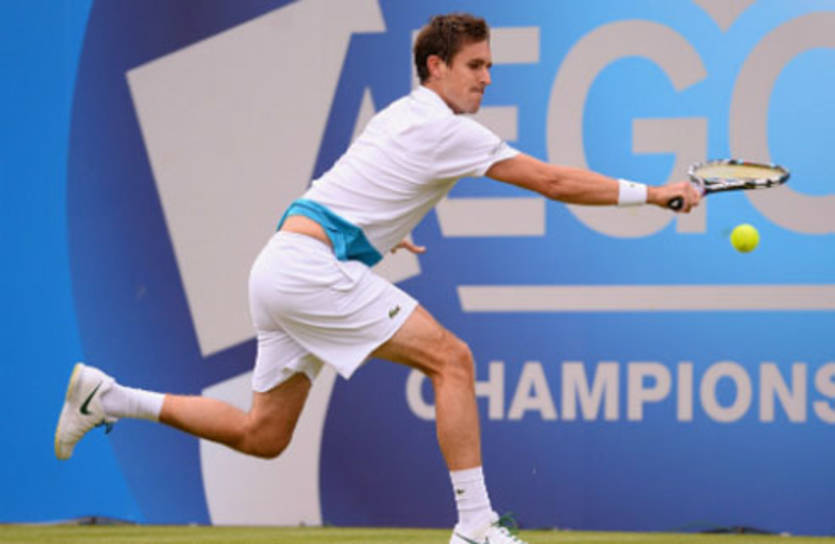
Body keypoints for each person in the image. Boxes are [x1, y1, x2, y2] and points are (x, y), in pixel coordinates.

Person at [55, 12, 700, 544]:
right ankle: (476, 525)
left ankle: (110, 398)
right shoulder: (449, 131)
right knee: (452, 359)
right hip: (308, 271)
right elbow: (554, 182)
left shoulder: (397, 115)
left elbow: (348, 191)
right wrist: (654, 193)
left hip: (281, 263)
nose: (487, 78)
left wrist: (384, 236)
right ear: (436, 67)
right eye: (475, 66)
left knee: (263, 435)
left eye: (489, 66)